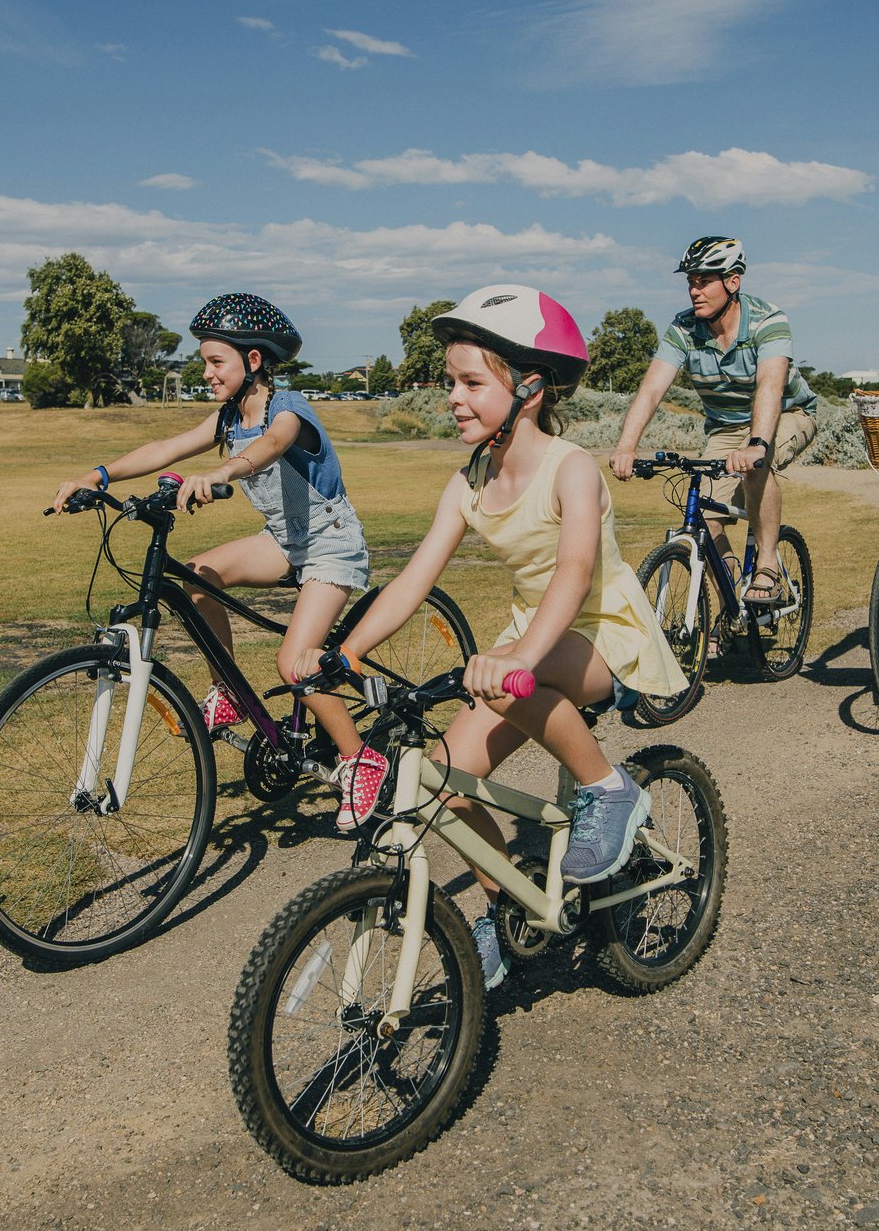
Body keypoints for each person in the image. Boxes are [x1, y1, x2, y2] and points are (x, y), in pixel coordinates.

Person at [336, 285, 689, 989]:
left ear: (529, 387)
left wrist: (522, 654)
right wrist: (344, 650)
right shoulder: (469, 478)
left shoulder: (572, 467)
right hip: (529, 642)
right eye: (451, 383)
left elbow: (575, 569)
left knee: (507, 683)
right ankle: (506, 913)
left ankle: (609, 787)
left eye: (471, 383)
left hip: (601, 632)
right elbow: (412, 579)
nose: (454, 399)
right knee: (446, 787)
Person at [50, 293, 388, 829]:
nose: (205, 371)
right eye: (204, 361)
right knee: (197, 577)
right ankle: (227, 692)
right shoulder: (228, 417)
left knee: (295, 663)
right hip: (282, 539)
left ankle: (359, 759)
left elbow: (274, 445)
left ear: (253, 361)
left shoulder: (288, 408)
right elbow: (166, 448)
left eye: (216, 361)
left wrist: (223, 474)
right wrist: (98, 476)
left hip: (330, 544)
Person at [609, 237, 818, 603]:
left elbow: (769, 387)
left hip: (787, 413)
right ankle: (731, 586)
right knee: (703, 510)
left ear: (733, 282)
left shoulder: (768, 320)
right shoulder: (684, 329)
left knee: (757, 465)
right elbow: (651, 390)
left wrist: (757, 444)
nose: (694, 290)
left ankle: (767, 563)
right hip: (725, 428)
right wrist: (627, 445)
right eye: (690, 281)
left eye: (704, 281)